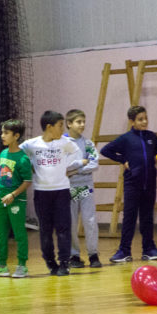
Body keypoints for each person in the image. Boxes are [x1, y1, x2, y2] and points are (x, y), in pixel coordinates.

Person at [20, 111, 82, 276]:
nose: (62, 129)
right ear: (49, 127)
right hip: (42, 193)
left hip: (61, 191)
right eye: (60, 125)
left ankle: (64, 263)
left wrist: (68, 168)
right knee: (45, 230)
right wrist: (30, 167)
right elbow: (19, 154)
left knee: (63, 228)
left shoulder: (64, 143)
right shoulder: (32, 144)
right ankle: (50, 261)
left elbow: (77, 153)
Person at [101, 106, 157, 263]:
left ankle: (149, 249)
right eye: (140, 119)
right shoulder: (126, 138)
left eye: (145, 118)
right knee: (129, 217)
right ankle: (124, 251)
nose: (144, 122)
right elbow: (105, 150)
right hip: (132, 184)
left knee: (147, 217)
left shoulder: (152, 137)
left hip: (149, 184)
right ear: (132, 121)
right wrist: (123, 160)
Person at [0, 119, 33, 279]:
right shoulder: (3, 154)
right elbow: (3, 176)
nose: (2, 135)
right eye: (2, 132)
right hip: (1, 200)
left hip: (16, 201)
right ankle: (1, 266)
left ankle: (22, 266)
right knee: (0, 233)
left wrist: (13, 194)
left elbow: (27, 181)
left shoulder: (23, 158)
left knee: (19, 233)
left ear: (16, 135)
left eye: (6, 133)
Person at [64, 109, 102, 269]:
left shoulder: (87, 143)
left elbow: (94, 163)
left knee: (90, 220)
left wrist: (75, 170)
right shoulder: (62, 143)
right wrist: (81, 163)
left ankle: (93, 254)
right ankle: (74, 255)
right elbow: (63, 166)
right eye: (79, 122)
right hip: (69, 187)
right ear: (69, 124)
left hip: (85, 186)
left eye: (83, 121)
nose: (82, 125)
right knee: (71, 222)